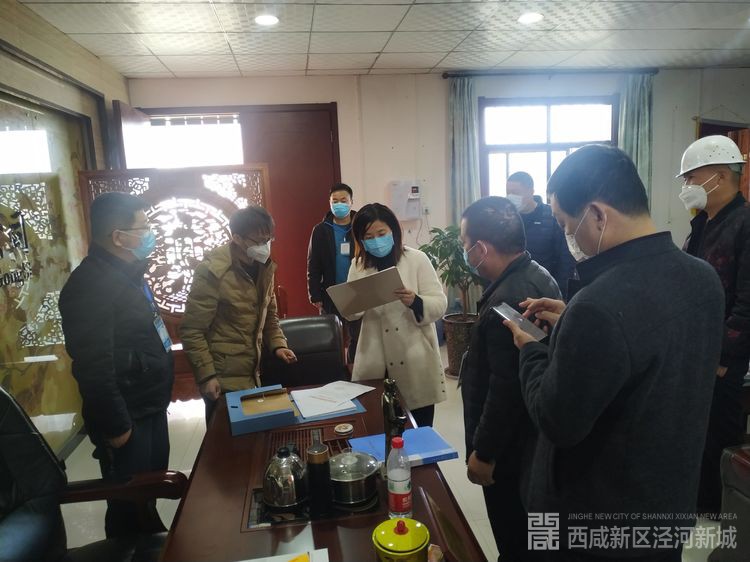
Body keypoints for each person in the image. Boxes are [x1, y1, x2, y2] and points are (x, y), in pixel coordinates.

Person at [503, 145, 725, 561]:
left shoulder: (599, 305)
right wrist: (571, 320)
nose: (568, 236)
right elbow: (648, 342)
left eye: (566, 224)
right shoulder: (703, 279)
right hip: (667, 502)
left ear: (597, 215)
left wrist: (532, 349)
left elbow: (556, 419)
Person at [59, 192, 174, 538]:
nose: (151, 234)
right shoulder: (89, 285)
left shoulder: (128, 272)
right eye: (144, 227)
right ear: (119, 237)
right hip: (127, 416)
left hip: (149, 403)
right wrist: (117, 426)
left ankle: (150, 540)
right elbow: (92, 365)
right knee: (127, 504)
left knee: (147, 492)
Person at [460, 196, 561, 561]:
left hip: (512, 452)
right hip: (535, 444)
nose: (464, 253)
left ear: (481, 249)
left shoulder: (508, 301)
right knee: (537, 538)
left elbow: (506, 389)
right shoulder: (537, 273)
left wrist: (484, 453)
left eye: (465, 244)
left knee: (516, 539)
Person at [677, 135, 750, 515]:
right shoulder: (704, 223)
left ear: (719, 176)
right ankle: (699, 503)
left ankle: (720, 512)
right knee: (695, 434)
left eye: (691, 177)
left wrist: (722, 357)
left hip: (723, 359)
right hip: (698, 351)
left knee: (717, 435)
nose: (686, 186)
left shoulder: (745, 223)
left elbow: (746, 305)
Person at [180, 205, 297, 423]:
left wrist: (278, 345)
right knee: (225, 438)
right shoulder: (213, 271)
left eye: (268, 239)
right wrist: (207, 376)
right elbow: (192, 330)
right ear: (237, 238)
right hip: (223, 377)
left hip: (255, 371)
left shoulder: (264, 267)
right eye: (258, 241)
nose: (265, 246)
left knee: (256, 434)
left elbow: (270, 315)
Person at [346, 203, 447, 427]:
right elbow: (352, 314)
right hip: (375, 358)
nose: (376, 241)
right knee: (377, 426)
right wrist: (356, 302)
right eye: (368, 237)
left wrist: (416, 301)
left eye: (381, 233)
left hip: (414, 355)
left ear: (394, 230)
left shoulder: (417, 259)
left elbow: (440, 304)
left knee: (418, 429)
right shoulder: (358, 265)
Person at [307, 182, 361, 362]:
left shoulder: (360, 227)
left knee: (357, 337)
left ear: (351, 202)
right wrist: (315, 294)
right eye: (335, 201)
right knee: (331, 337)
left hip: (356, 291)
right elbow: (313, 264)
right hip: (331, 292)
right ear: (329, 203)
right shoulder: (320, 230)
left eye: (343, 200)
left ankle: (353, 369)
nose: (339, 204)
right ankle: (335, 370)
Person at [506, 171, 575, 297]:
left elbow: (565, 258)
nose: (510, 197)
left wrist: (559, 292)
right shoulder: (508, 218)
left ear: (531, 192)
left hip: (546, 290)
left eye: (515, 193)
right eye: (508, 193)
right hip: (514, 291)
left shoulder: (552, 216)